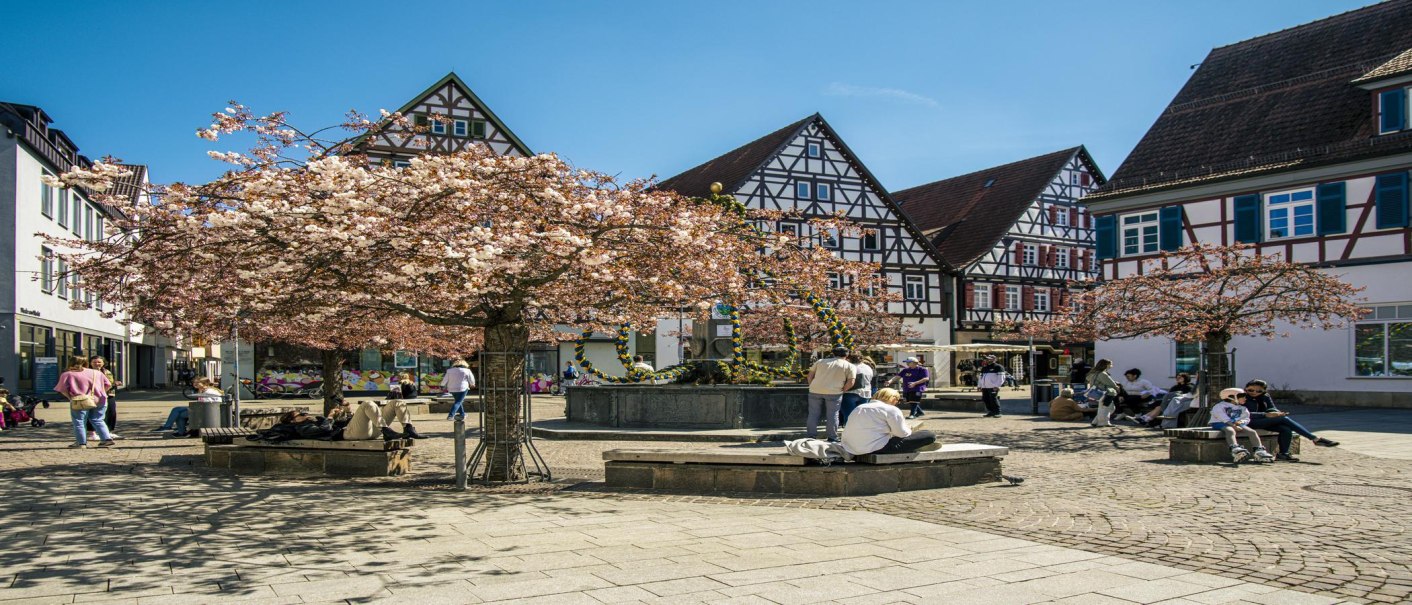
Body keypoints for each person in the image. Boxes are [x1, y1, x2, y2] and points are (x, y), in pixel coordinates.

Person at [1241, 379, 1338, 461]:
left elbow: (1271, 408)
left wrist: (1276, 413)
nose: (1254, 393)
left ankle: (1283, 454)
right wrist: (1266, 415)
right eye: (1251, 390)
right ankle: (1315, 439)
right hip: (1247, 422)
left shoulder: (1265, 396)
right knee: (1284, 419)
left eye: (1259, 391)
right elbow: (1242, 414)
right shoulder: (1241, 397)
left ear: (1264, 391)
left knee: (1285, 428)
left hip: (1263, 421)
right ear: (1246, 388)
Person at [840, 388, 938, 456]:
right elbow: (902, 433)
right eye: (898, 400)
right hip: (875, 448)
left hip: (851, 448)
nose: (897, 403)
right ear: (893, 398)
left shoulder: (859, 407)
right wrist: (909, 429)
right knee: (929, 434)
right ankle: (916, 446)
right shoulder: (890, 409)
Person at [55, 358, 114, 448]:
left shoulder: (67, 374)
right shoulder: (96, 372)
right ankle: (106, 439)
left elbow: (62, 389)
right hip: (100, 399)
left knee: (79, 421)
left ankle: (81, 443)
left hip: (80, 400)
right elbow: (108, 384)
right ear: (86, 363)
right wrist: (101, 392)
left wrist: (70, 398)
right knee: (98, 419)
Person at [805, 346, 856, 441]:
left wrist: (812, 385)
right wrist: (843, 390)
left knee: (813, 413)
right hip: (834, 392)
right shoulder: (850, 366)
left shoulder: (820, 361)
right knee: (833, 415)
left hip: (815, 390)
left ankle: (811, 436)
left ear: (833, 353)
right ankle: (832, 437)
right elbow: (851, 382)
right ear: (847, 354)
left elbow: (809, 376)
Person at [1211, 388, 1275, 463]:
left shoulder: (1242, 408)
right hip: (1220, 423)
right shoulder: (1219, 406)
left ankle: (1259, 451)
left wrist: (1241, 422)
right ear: (1231, 397)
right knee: (1230, 430)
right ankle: (1235, 449)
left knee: (1252, 432)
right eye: (1242, 396)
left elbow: (1246, 418)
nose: (1245, 398)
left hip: (1236, 423)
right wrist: (1233, 425)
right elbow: (1222, 417)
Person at [344, 398, 424, 440]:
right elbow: (331, 431)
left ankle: (408, 428)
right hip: (351, 433)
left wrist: (348, 412)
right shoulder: (331, 411)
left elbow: (353, 419)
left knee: (397, 402)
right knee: (367, 403)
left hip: (374, 430)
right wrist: (331, 417)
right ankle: (386, 430)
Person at [90, 356, 122, 438]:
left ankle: (108, 431)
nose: (97, 364)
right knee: (92, 413)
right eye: (94, 362)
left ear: (103, 363)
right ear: (90, 363)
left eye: (99, 362)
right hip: (93, 396)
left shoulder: (107, 372)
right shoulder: (88, 372)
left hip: (109, 395)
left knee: (111, 412)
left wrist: (114, 383)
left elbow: (109, 383)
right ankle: (93, 433)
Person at [840, 354, 875, 427]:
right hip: (866, 393)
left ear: (849, 359)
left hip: (849, 392)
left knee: (849, 416)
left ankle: (850, 432)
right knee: (862, 416)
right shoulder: (868, 367)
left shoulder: (849, 367)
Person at [1086, 359, 1120, 427]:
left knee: (1105, 407)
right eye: (1110, 364)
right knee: (1106, 408)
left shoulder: (1094, 373)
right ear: (1106, 365)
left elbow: (1088, 379)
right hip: (1106, 392)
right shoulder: (1103, 374)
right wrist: (1117, 387)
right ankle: (1103, 423)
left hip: (1097, 392)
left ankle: (1095, 421)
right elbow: (1111, 383)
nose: (1111, 366)